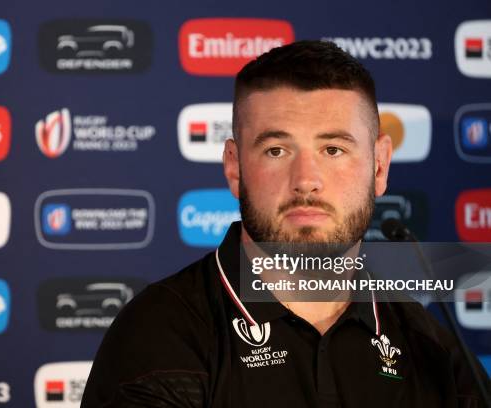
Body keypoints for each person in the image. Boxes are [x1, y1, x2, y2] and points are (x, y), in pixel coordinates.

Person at [81, 40, 490, 407]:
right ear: (235, 168)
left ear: (379, 166)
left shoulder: (433, 350)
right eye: (276, 150)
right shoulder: (161, 336)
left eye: (333, 149)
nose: (306, 180)